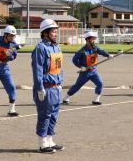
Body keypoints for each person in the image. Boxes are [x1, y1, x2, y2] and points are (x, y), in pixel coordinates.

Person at [31, 19, 64, 154]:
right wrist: (40, 88)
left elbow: (59, 68)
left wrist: (60, 83)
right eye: (53, 31)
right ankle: (42, 143)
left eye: (56, 31)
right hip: (45, 87)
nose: (56, 34)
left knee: (54, 115)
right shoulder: (40, 48)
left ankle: (50, 140)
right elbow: (37, 70)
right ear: (45, 33)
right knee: (45, 115)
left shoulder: (56, 47)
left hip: (56, 87)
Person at [62, 31, 114, 105]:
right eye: (92, 39)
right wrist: (81, 66)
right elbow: (74, 60)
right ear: (87, 40)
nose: (93, 41)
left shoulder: (95, 48)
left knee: (100, 83)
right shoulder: (82, 51)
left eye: (94, 39)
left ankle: (96, 100)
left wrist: (108, 55)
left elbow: (102, 51)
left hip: (94, 71)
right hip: (85, 72)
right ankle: (66, 98)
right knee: (77, 86)